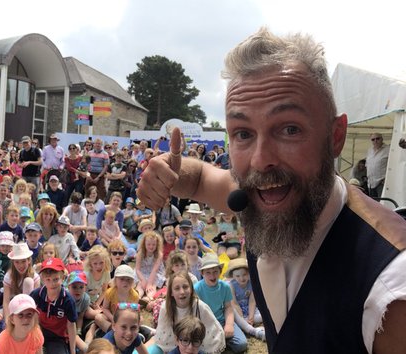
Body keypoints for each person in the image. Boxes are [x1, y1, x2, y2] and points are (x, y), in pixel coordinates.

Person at [137, 28, 406, 352]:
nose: (261, 160)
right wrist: (169, 170)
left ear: (335, 136)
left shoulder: (390, 290)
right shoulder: (265, 195)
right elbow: (197, 180)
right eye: (243, 133)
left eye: (289, 129)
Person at [366, 132, 389, 198]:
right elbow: (367, 165)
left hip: (381, 183)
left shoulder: (388, 149)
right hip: (370, 183)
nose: (375, 141)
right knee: (373, 205)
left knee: (382, 204)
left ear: (382, 139)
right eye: (373, 139)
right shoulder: (369, 150)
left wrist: (387, 178)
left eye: (377, 138)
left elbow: (393, 166)